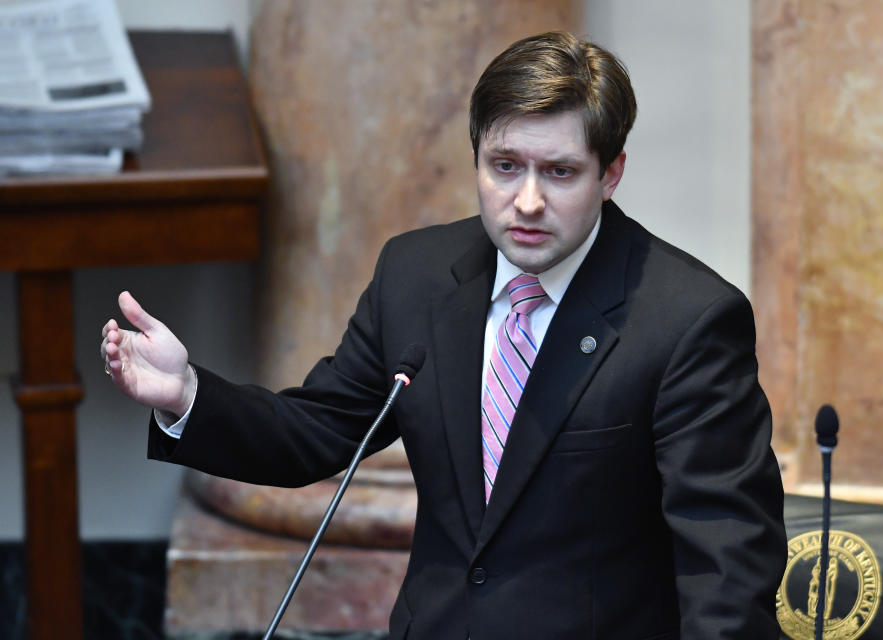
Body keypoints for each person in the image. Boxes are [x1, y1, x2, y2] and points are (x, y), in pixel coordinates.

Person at [101, 31, 786, 639]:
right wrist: (187, 393)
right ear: (476, 158)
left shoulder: (687, 319)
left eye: (561, 173)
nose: (526, 202)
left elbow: (728, 566)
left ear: (611, 174)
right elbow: (319, 429)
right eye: (505, 165)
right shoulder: (417, 276)